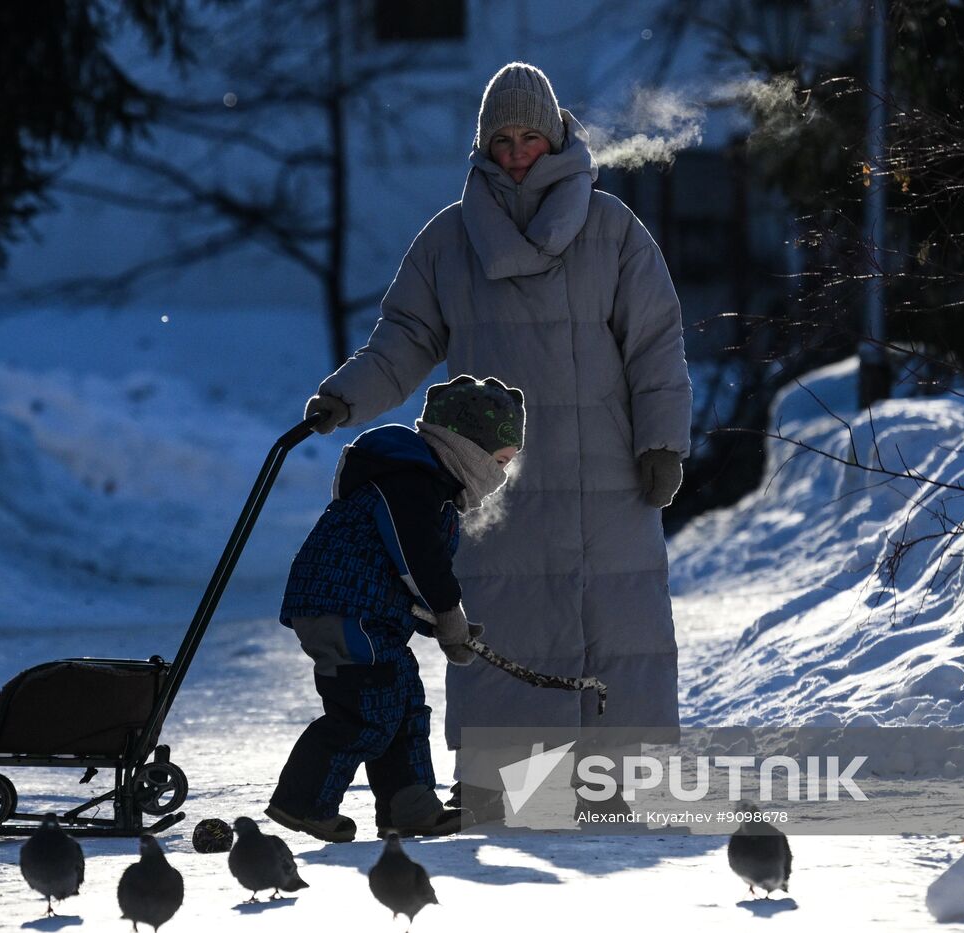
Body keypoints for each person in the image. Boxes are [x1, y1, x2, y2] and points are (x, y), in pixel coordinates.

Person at [303, 62, 691, 820]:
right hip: (491, 478)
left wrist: (663, 443)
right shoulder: (449, 240)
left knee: (619, 626)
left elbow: (655, 343)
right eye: (502, 141)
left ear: (556, 138)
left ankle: (622, 783)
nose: (516, 154)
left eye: (529, 138)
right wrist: (345, 396)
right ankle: (503, 786)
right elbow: (403, 340)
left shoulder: (613, 230)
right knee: (505, 622)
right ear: (483, 147)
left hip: (607, 471)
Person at [267, 375, 527, 842]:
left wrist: (438, 623)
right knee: (366, 710)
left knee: (402, 702)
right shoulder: (410, 481)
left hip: (368, 614)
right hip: (343, 610)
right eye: (500, 462)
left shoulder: (426, 483)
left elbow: (397, 575)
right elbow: (417, 559)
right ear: (470, 448)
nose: (501, 477)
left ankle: (410, 808)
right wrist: (448, 614)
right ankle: (303, 802)